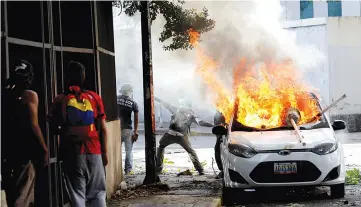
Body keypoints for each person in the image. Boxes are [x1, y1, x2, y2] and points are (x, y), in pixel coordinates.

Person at [47, 61, 108, 207]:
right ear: (83, 76)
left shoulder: (60, 99)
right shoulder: (94, 97)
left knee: (77, 195)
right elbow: (103, 129)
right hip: (94, 151)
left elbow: (52, 126)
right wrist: (104, 153)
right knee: (98, 193)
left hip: (72, 153)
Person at [1, 60, 49, 207]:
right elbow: (33, 125)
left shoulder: (4, 95)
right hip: (24, 154)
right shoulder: (29, 95)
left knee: (12, 195)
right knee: (22, 197)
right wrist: (44, 149)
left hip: (6, 154)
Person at [154, 97, 213, 175]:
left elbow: (165, 103)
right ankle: (200, 170)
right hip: (181, 137)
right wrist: (213, 125)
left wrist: (155, 98)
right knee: (191, 152)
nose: (181, 105)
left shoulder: (176, 110)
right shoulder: (192, 115)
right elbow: (201, 122)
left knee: (161, 146)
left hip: (170, 134)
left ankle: (158, 169)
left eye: (182, 104)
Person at [117, 83, 139, 175]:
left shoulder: (116, 99)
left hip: (116, 129)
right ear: (130, 92)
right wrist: (136, 131)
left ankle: (117, 170)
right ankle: (128, 170)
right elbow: (136, 118)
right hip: (127, 130)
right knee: (128, 151)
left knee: (116, 150)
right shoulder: (133, 103)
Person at [214, 110, 226, 179]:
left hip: (224, 134)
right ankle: (222, 170)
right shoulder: (218, 113)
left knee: (218, 151)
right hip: (220, 134)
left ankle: (223, 171)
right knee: (217, 150)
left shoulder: (223, 111)